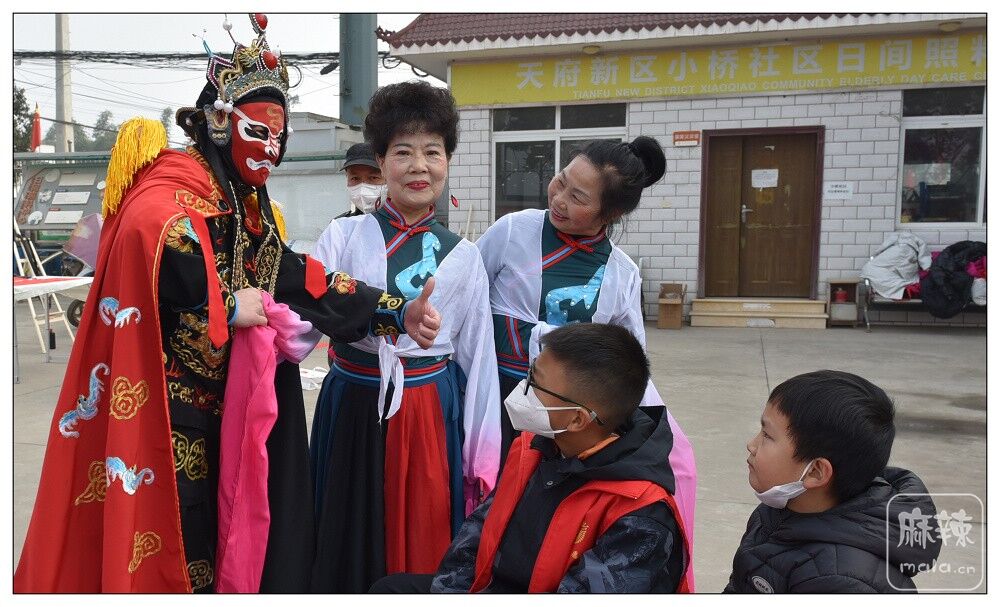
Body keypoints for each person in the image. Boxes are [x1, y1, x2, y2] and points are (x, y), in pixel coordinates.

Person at [14, 15, 440, 593]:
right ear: (219, 122)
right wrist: (225, 304)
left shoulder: (246, 201)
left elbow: (297, 275)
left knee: (231, 540)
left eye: (279, 138)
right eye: (258, 132)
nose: (270, 150)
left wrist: (393, 310)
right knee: (180, 543)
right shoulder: (176, 183)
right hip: (169, 411)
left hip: (230, 404)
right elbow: (147, 236)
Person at [475, 135, 697, 588]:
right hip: (491, 397)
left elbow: (626, 358)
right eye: (560, 182)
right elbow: (466, 300)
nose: (558, 199)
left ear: (609, 214)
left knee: (533, 517)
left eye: (578, 198)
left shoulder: (621, 273)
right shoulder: (512, 232)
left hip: (559, 420)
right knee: (481, 503)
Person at [309, 80, 501, 593]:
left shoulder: (465, 256)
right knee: (346, 530)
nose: (420, 166)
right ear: (381, 161)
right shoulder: (343, 236)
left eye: (432, 152)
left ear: (448, 161)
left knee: (424, 532)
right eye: (403, 152)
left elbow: (479, 360)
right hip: (352, 402)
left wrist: (482, 457)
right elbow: (301, 322)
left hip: (427, 411)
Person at [370, 323, 692, 593]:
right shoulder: (534, 448)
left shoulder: (641, 514)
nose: (524, 388)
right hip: (494, 587)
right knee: (389, 590)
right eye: (530, 374)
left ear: (577, 419)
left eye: (536, 384)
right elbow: (477, 536)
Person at [725, 370, 942, 593]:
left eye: (767, 435)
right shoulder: (779, 509)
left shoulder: (838, 581)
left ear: (815, 472)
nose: (752, 444)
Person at [337, 142, 387, 218]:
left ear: (389, 178)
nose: (363, 188)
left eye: (373, 177)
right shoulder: (341, 224)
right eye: (355, 178)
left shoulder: (404, 223)